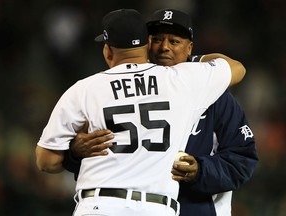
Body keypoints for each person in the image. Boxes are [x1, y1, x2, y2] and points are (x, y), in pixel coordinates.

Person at [36, 8, 246, 216]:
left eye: (174, 42)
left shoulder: (83, 89)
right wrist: (194, 65)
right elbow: (237, 68)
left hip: (100, 205)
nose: (165, 48)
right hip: (156, 207)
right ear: (147, 46)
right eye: (158, 40)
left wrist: (73, 152)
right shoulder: (184, 81)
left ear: (107, 50)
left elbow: (46, 161)